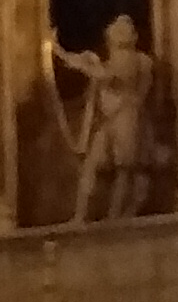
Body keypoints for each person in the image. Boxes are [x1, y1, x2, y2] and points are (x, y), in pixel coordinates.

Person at [46, 14, 158, 219]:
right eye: (116, 30)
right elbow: (82, 65)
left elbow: (110, 77)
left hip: (127, 116)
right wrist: (58, 51)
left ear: (131, 37)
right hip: (108, 121)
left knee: (124, 166)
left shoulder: (136, 61)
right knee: (92, 164)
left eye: (124, 30)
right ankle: (80, 216)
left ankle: (115, 216)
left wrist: (88, 67)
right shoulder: (107, 62)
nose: (119, 34)